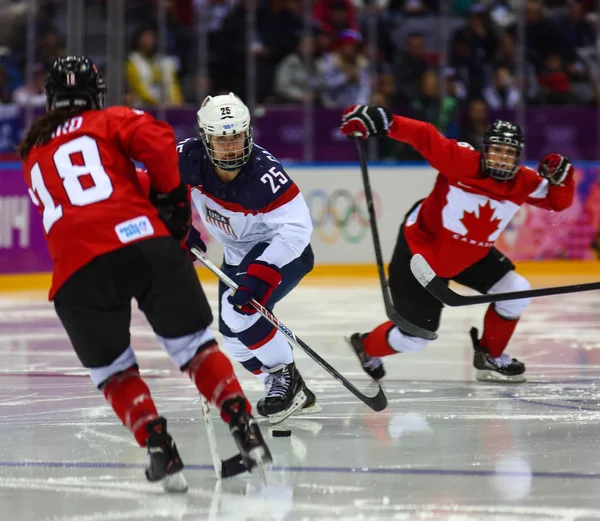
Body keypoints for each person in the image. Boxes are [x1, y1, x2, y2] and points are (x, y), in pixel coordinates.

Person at [18, 56, 271, 491]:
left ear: (51, 99)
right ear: (96, 93)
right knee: (195, 348)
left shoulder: (33, 152)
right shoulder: (110, 119)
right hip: (144, 246)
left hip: (78, 272)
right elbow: (156, 140)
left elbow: (87, 201)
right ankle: (244, 426)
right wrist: (172, 207)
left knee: (115, 372)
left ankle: (160, 449)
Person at [339, 105, 575, 383]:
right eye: (497, 150)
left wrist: (563, 176)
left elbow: (558, 202)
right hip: (421, 256)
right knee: (414, 340)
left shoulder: (523, 181)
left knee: (517, 292)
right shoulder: (462, 162)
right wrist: (385, 121)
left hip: (471, 255)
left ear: (518, 157)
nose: (502, 159)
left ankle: (490, 354)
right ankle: (365, 346)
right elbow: (425, 135)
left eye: (509, 153)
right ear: (484, 150)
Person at [178, 92, 317, 424]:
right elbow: (160, 189)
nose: (230, 146)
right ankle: (279, 384)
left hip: (282, 254)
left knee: (239, 314)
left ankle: (287, 378)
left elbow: (297, 230)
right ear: (205, 138)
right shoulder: (187, 158)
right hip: (238, 257)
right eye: (221, 139)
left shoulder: (265, 175)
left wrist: (263, 271)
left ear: (248, 132)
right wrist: (178, 225)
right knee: (234, 340)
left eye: (236, 137)